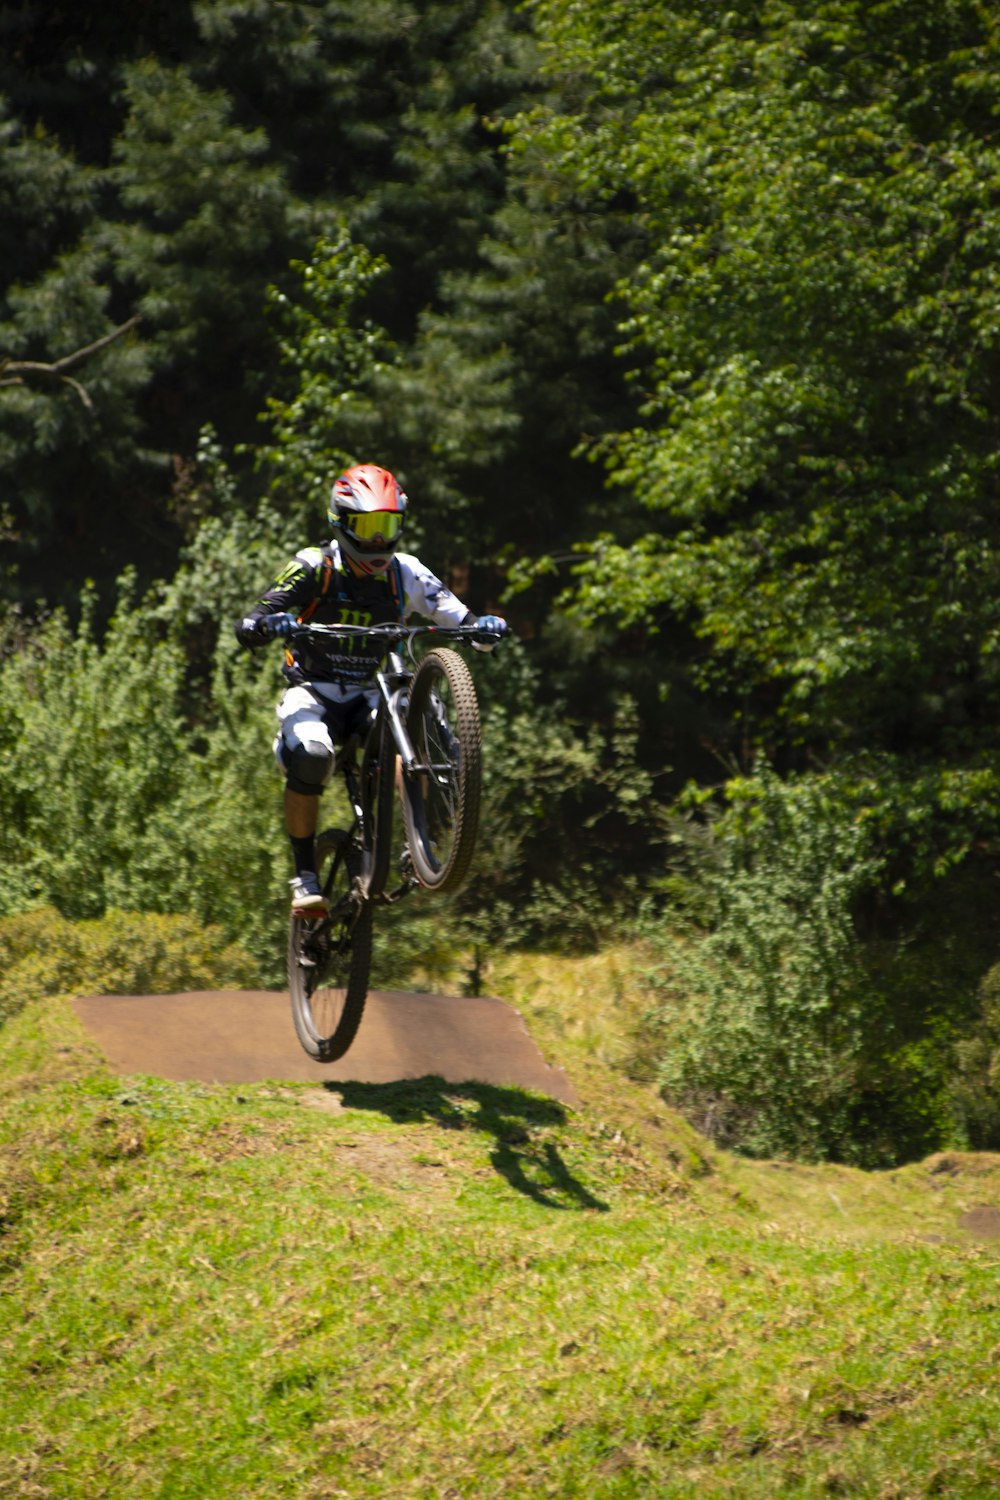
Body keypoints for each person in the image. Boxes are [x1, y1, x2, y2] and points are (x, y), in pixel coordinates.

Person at [236, 463, 507, 914]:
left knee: (416, 721)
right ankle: (305, 875)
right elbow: (254, 617)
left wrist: (483, 627)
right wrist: (265, 624)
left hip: (369, 693)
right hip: (314, 693)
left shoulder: (406, 573)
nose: (379, 541)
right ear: (342, 522)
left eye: (388, 526)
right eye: (367, 527)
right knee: (312, 757)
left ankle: (417, 840)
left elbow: (461, 620)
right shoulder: (313, 566)